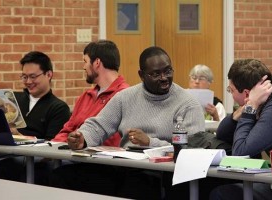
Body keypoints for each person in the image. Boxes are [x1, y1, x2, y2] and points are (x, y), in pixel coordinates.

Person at [49, 46, 205, 199]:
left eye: (168, 71)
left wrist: (150, 142)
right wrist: (83, 138)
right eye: (156, 74)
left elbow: (192, 151)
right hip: (125, 166)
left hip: (162, 174)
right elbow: (99, 125)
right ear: (141, 75)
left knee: (135, 187)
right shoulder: (125, 98)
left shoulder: (188, 104)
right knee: (59, 177)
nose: (164, 78)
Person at [0, 51, 71, 184]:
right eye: (24, 77)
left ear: (49, 75)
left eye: (33, 76)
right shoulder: (13, 100)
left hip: (28, 158)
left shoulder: (58, 108)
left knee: (4, 167)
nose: (28, 82)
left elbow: (52, 146)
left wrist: (20, 136)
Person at [209, 59, 272, 200]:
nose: (231, 95)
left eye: (231, 90)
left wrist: (251, 107)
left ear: (246, 94)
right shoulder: (267, 101)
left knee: (222, 194)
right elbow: (222, 134)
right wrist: (243, 111)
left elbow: (240, 151)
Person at [52, 40, 129, 146]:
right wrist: (51, 147)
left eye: (85, 61)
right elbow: (67, 130)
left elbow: (111, 140)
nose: (84, 67)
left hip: (98, 159)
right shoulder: (85, 96)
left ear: (97, 62)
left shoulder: (125, 96)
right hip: (72, 153)